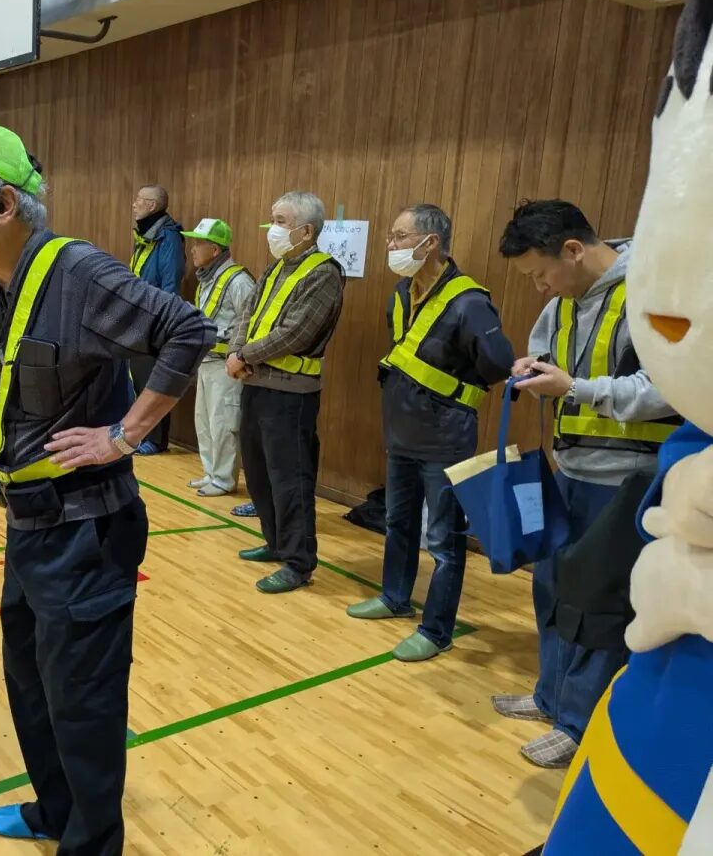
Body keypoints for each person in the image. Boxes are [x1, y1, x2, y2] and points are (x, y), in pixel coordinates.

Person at [0, 123, 214, 853]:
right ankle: (53, 812)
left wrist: (124, 434)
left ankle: (91, 842)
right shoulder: (3, 284)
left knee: (84, 704)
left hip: (86, 532)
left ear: (4, 204)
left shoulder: (77, 273)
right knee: (32, 685)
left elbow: (188, 331)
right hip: (31, 525)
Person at [491, 199, 678, 768]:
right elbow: (551, 353)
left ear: (573, 250)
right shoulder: (563, 301)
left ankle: (578, 721)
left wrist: (575, 387)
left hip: (626, 480)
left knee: (598, 606)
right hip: (567, 467)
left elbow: (668, 387)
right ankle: (550, 695)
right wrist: (533, 366)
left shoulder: (654, 293)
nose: (541, 288)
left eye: (541, 274)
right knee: (550, 587)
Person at [346, 205, 514, 661]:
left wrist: (451, 392)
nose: (391, 245)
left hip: (445, 438)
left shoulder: (469, 301)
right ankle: (394, 597)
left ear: (431, 243)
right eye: (391, 236)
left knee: (443, 539)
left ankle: (437, 630)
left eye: (399, 236)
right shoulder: (401, 293)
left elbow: (498, 363)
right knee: (398, 522)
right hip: (401, 434)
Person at [227, 191, 345, 594]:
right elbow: (249, 313)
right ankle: (275, 543)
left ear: (306, 230)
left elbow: (297, 332)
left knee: (290, 479)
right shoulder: (276, 267)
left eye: (279, 221)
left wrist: (243, 354)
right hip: (255, 384)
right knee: (258, 474)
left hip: (291, 394)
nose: (271, 228)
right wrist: (235, 352)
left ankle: (298, 562)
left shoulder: (324, 272)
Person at [182, 218, 254, 497]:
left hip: (226, 365)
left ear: (214, 249)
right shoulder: (206, 280)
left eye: (198, 243)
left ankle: (224, 479)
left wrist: (239, 357)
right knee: (205, 421)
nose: (192, 249)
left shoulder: (239, 281)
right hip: (206, 362)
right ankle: (211, 472)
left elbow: (249, 322)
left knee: (224, 423)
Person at [128, 183, 185, 455]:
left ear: (152, 206)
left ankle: (156, 439)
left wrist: (160, 324)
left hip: (154, 323)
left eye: (139, 199)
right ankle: (139, 434)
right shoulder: (144, 236)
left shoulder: (168, 238)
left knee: (153, 382)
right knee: (138, 379)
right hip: (137, 320)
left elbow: (170, 284)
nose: (134, 204)